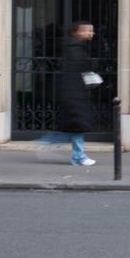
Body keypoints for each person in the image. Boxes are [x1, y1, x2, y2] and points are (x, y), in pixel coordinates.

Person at [37, 22, 99, 165]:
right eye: (88, 30)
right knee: (77, 126)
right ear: (77, 32)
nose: (91, 33)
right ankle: (78, 157)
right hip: (74, 94)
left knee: (74, 127)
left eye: (92, 30)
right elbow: (76, 73)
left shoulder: (79, 47)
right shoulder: (75, 48)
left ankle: (46, 142)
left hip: (76, 93)